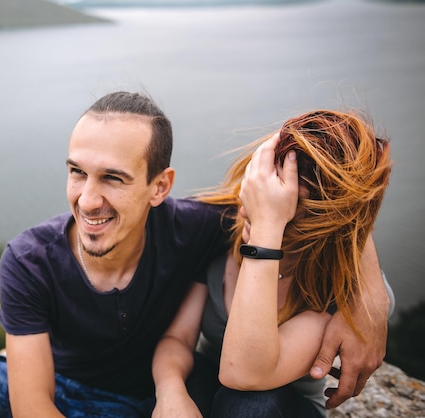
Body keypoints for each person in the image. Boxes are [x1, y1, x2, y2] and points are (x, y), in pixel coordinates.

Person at [0, 94, 389, 418]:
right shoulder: (30, 258)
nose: (87, 200)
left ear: (159, 186)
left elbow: (331, 213)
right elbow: (33, 406)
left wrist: (367, 300)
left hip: (161, 401)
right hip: (66, 387)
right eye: (77, 171)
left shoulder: (202, 228)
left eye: (114, 178)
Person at [151, 109, 393, 418]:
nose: (249, 212)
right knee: (179, 381)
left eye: (283, 211)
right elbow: (178, 339)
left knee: (250, 405)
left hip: (277, 409)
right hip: (213, 390)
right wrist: (170, 393)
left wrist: (266, 233)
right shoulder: (223, 228)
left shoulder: (340, 289)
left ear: (324, 225)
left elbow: (244, 376)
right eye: (261, 192)